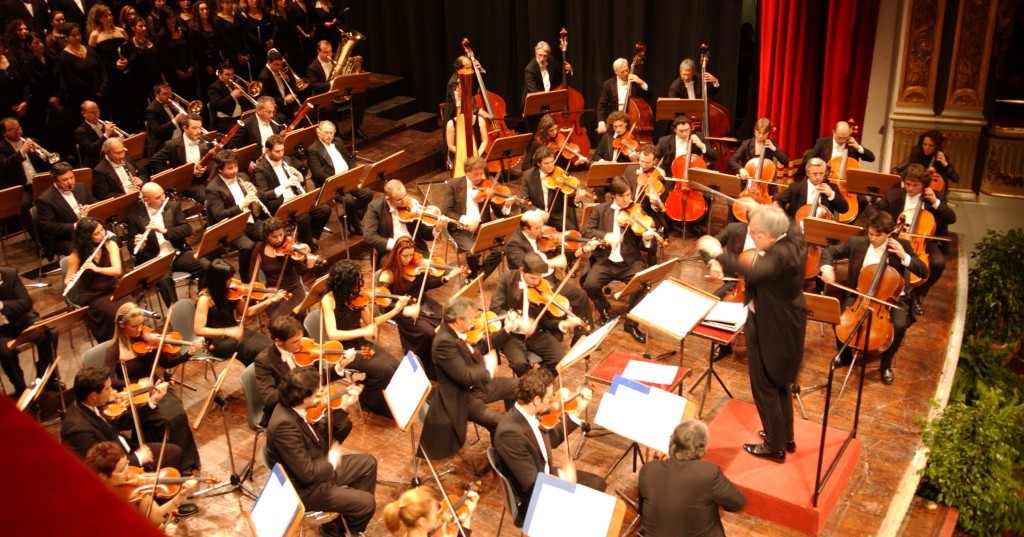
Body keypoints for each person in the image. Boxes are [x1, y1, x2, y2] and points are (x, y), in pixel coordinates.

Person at [696, 204, 806, 463]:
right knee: (780, 383)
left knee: (765, 385)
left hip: (772, 325)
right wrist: (760, 209)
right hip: (783, 321)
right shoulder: (792, 235)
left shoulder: (780, 255)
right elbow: (784, 219)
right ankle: (784, 436)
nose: (751, 236)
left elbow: (754, 271)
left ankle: (774, 445)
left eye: (754, 233)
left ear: (768, 235)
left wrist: (716, 252)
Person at [265, 367, 377, 537]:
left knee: (368, 464)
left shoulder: (293, 408)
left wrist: (344, 407)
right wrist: (331, 461)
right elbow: (307, 475)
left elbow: (316, 435)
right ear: (303, 397)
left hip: (318, 468)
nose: (319, 395)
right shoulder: (284, 425)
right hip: (305, 489)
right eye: (315, 393)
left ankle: (338, 527)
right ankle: (350, 531)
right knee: (367, 503)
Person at [819, 212, 928, 385]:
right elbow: (829, 251)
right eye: (870, 233)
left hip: (891, 298)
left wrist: (903, 256)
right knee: (840, 318)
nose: (872, 238)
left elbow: (923, 271)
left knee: (899, 326)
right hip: (860, 294)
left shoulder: (903, 245)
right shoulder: (858, 243)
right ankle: (845, 355)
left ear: (889, 233)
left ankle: (885, 365)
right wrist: (826, 268)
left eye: (878, 235)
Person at [493, 368, 606, 526]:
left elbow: (550, 439)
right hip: (534, 495)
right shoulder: (509, 435)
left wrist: (578, 409)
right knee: (594, 507)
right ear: (536, 400)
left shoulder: (530, 413)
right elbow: (531, 483)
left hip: (546, 474)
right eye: (550, 396)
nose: (554, 398)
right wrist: (565, 479)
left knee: (598, 483)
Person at [104, 302, 202, 473]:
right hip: (136, 396)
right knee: (166, 419)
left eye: (142, 324)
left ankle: (188, 461)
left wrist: (188, 354)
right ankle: (169, 461)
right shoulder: (113, 350)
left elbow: (167, 362)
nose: (140, 329)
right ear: (122, 325)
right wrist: (136, 384)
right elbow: (110, 380)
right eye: (134, 326)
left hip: (156, 388)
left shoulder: (147, 340)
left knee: (178, 413)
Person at [419, 296, 515, 460]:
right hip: (463, 398)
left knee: (519, 387)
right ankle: (501, 459)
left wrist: (506, 330)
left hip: (478, 386)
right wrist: (487, 366)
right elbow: (464, 376)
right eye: (470, 318)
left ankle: (515, 430)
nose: (474, 320)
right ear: (457, 320)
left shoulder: (459, 332)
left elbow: (479, 349)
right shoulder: (443, 343)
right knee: (500, 423)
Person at [863, 163, 956, 315]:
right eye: (908, 184)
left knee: (939, 263)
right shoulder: (894, 194)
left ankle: (918, 294)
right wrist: (885, 225)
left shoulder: (934, 196)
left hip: (922, 240)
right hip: (897, 238)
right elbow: (872, 209)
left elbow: (951, 218)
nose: (910, 189)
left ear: (924, 185)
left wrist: (935, 202)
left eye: (915, 185)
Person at [321, 259, 407, 417]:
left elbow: (372, 322)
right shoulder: (329, 300)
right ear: (344, 283)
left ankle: (390, 399)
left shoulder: (357, 296)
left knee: (395, 366)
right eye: (356, 283)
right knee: (384, 370)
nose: (360, 287)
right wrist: (364, 331)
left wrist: (396, 310)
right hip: (343, 351)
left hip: (361, 344)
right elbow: (333, 334)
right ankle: (370, 400)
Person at [254, 315, 360, 440]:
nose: (300, 344)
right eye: (295, 342)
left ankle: (322, 454)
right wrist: (297, 386)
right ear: (279, 341)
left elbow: (317, 378)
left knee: (343, 425)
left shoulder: (305, 348)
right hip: (287, 411)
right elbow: (269, 399)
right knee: (322, 430)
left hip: (312, 404)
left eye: (301, 338)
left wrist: (341, 365)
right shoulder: (264, 361)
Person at [61, 366, 184, 471]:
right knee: (172, 454)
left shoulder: (94, 404)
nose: (112, 391)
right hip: (119, 465)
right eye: (108, 388)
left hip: (126, 447)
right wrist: (137, 458)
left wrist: (152, 400)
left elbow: (124, 422)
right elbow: (98, 468)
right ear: (93, 395)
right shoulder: (78, 430)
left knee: (175, 452)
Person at [637, 420, 746, 537]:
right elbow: (737, 502)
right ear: (702, 448)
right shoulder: (709, 474)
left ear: (672, 442)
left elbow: (642, 509)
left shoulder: (648, 470)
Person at [376, 236, 462, 380]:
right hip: (402, 311)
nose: (409, 259)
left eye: (411, 255)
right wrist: (403, 309)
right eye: (405, 256)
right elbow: (382, 299)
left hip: (422, 302)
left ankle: (445, 360)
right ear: (397, 254)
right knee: (428, 333)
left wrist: (445, 278)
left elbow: (427, 284)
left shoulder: (416, 266)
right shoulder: (388, 274)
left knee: (447, 321)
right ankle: (429, 368)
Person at [580, 176, 653, 344]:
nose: (627, 199)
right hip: (605, 261)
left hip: (629, 262)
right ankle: (604, 308)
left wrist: (647, 238)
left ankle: (631, 323)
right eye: (623, 196)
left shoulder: (637, 211)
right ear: (613, 195)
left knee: (644, 284)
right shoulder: (600, 210)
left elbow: (644, 244)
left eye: (629, 195)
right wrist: (606, 236)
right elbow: (586, 231)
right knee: (589, 284)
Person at [489, 252, 586, 376]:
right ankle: (532, 386)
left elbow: (545, 321)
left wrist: (564, 324)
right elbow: (495, 309)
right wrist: (518, 321)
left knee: (559, 360)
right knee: (519, 364)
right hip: (512, 336)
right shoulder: (507, 279)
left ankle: (536, 384)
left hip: (536, 333)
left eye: (539, 278)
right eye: (532, 278)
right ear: (522, 271)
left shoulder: (544, 287)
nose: (536, 282)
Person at [127, 183, 208, 307]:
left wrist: (164, 231)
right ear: (146, 200)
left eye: (163, 194)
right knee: (164, 280)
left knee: (206, 266)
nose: (163, 198)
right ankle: (176, 315)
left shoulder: (173, 206)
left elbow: (187, 229)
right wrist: (140, 246)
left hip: (177, 252)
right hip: (156, 259)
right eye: (158, 197)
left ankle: (202, 304)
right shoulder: (134, 217)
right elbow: (132, 249)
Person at [84, 441, 200, 525]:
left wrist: (181, 495)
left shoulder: (134, 487)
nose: (128, 471)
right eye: (121, 470)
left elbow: (157, 516)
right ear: (102, 476)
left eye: (126, 465)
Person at [192, 259, 279, 366]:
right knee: (259, 352)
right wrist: (227, 331)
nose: (231, 281)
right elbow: (199, 330)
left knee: (269, 345)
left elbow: (247, 312)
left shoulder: (231, 291)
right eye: (228, 279)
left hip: (237, 332)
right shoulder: (205, 299)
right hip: (218, 341)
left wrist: (269, 301)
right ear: (217, 280)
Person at [441, 155, 514, 281]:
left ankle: (477, 276)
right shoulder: (454, 184)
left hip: (483, 227)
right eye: (476, 174)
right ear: (467, 172)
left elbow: (499, 213)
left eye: (481, 174)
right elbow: (446, 210)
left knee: (502, 248)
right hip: (461, 229)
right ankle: (476, 275)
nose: (479, 177)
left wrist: (505, 206)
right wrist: (466, 221)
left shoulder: (486, 186)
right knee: (473, 252)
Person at [252, 134, 330, 247]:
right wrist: (284, 186)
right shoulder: (260, 169)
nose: (281, 154)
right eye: (277, 151)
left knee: (324, 210)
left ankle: (312, 239)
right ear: (267, 151)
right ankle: (306, 249)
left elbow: (299, 182)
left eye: (282, 150)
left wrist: (299, 177)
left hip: (295, 199)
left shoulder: (287, 160)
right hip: (279, 206)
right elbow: (263, 196)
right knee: (304, 217)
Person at [205, 149, 271, 281]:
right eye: (230, 168)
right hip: (231, 226)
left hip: (250, 221)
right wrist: (242, 205)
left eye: (235, 166)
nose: (235, 170)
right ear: (219, 170)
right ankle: (246, 279)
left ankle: (267, 269)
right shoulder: (213, 188)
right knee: (248, 246)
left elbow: (258, 195)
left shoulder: (242, 177)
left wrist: (254, 191)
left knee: (271, 232)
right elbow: (219, 215)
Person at [64, 216, 130, 341]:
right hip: (92, 294)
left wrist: (97, 269)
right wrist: (71, 281)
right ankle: (116, 344)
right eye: (97, 233)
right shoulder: (77, 254)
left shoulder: (110, 244)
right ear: (87, 237)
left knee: (130, 308)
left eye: (102, 230)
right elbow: (67, 280)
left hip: (112, 287)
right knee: (113, 314)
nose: (102, 234)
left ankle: (134, 339)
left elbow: (117, 270)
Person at [306, 120, 373, 236]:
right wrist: (336, 180)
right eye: (326, 132)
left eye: (331, 133)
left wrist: (353, 171)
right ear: (318, 133)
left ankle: (345, 219)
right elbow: (318, 173)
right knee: (349, 200)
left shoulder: (338, 141)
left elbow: (349, 159)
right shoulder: (313, 149)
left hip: (348, 179)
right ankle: (357, 225)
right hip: (332, 184)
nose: (329, 136)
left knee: (367, 194)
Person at [0, 265, 57, 398]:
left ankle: (45, 380)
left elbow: (26, 303)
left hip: (21, 319)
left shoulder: (9, 274)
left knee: (49, 334)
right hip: (1, 330)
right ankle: (21, 390)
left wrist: (2, 305)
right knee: (6, 353)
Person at [655, 115, 718, 235]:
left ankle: (696, 223)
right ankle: (668, 222)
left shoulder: (698, 138)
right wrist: (657, 168)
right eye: (681, 131)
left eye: (687, 130)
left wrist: (701, 146)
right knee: (663, 194)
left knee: (708, 193)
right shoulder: (665, 141)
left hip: (694, 178)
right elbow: (654, 154)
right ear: (674, 130)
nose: (684, 134)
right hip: (673, 177)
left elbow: (714, 156)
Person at [251, 217, 320, 321]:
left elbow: (302, 271)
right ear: (266, 236)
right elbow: (252, 277)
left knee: (294, 315)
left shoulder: (288, 247)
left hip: (293, 289)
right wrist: (265, 291)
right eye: (274, 236)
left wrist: (310, 265)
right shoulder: (259, 250)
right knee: (277, 321)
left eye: (281, 234)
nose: (279, 239)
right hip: (273, 292)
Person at [362, 179, 436, 263]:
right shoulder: (375, 208)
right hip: (390, 252)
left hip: (415, 249)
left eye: (405, 195)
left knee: (436, 272)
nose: (404, 200)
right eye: (399, 199)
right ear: (388, 199)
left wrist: (436, 229)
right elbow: (369, 236)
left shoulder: (412, 205)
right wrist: (396, 245)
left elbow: (425, 234)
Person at [35, 161, 98, 258]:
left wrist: (90, 207)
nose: (70, 182)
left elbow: (95, 203)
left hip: (88, 230)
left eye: (72, 177)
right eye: (64, 180)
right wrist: (75, 226)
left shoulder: (80, 187)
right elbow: (48, 227)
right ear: (55, 180)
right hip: (64, 237)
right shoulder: (45, 199)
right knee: (86, 252)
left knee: (112, 240)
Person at [0, 117, 47, 239]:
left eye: (19, 128)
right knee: (24, 204)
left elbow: (45, 161)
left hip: (38, 182)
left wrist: (39, 153)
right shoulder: (1, 147)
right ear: (4, 133)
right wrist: (21, 152)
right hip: (20, 187)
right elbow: (5, 166)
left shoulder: (31, 141)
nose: (18, 132)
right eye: (12, 130)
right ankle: (40, 241)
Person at [149, 112, 212, 203]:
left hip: (208, 178)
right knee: (210, 200)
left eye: (200, 127)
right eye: (194, 128)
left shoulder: (206, 139)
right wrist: (174, 176)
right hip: (190, 184)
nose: (199, 131)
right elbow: (154, 161)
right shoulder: (172, 145)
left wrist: (206, 168)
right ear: (185, 128)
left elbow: (213, 160)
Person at [520, 146, 585, 232]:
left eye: (552, 162)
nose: (551, 166)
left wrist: (577, 200)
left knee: (572, 232)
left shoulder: (560, 173)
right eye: (546, 163)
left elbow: (568, 199)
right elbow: (523, 202)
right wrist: (538, 212)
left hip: (556, 216)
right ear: (539, 164)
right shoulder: (528, 176)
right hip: (537, 217)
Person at [383, 486, 479, 537]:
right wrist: (468, 513)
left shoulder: (405, 529)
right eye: (434, 512)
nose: (438, 513)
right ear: (422, 521)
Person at [772, 157, 849, 221]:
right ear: (807, 173)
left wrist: (831, 194)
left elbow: (844, 209)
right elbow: (779, 200)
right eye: (814, 174)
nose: (818, 177)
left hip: (822, 229)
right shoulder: (795, 187)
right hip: (797, 229)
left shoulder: (832, 187)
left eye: (821, 173)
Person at [596, 58, 649, 135]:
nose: (625, 74)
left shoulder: (636, 79)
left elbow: (649, 95)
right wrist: (601, 123)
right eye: (622, 72)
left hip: (633, 120)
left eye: (627, 70)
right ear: (616, 72)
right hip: (616, 122)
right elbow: (601, 105)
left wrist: (641, 82)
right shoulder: (608, 84)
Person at [520, 114, 588, 174]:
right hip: (546, 177)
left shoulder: (560, 137)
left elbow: (567, 167)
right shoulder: (536, 144)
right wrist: (539, 173)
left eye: (556, 129)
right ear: (544, 131)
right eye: (551, 130)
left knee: (586, 166)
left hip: (561, 174)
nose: (555, 132)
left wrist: (577, 163)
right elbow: (525, 166)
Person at [892, 129, 960, 185]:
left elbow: (955, 179)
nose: (926, 148)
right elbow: (895, 170)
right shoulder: (917, 154)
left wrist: (945, 164)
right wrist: (902, 181)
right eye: (924, 144)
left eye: (931, 145)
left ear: (937, 146)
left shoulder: (941, 158)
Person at [74, 101, 121, 169]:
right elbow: (92, 150)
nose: (96, 115)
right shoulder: (80, 131)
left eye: (97, 111)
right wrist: (106, 135)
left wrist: (115, 136)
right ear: (83, 114)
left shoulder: (104, 125)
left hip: (111, 158)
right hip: (95, 164)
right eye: (92, 112)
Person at [143, 82, 187, 156]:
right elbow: (157, 130)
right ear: (157, 94)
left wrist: (182, 111)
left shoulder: (172, 104)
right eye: (165, 94)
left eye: (170, 93)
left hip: (180, 139)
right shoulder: (151, 110)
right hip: (165, 143)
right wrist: (175, 121)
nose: (169, 96)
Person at [256, 48, 299, 122]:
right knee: (282, 118)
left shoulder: (280, 70)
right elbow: (265, 98)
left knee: (303, 111)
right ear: (269, 62)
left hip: (286, 104)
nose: (279, 67)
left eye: (281, 64)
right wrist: (284, 100)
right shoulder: (264, 76)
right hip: (276, 107)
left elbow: (292, 86)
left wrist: (288, 79)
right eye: (276, 65)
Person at [806, 120, 876, 165]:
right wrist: (821, 165)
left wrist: (858, 147)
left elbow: (871, 158)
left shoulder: (853, 142)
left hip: (846, 181)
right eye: (839, 137)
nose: (843, 141)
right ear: (833, 132)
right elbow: (808, 159)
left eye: (845, 137)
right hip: (826, 180)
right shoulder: (823, 142)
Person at [207, 62, 249, 134]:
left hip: (240, 117)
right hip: (225, 120)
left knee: (253, 126)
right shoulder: (214, 87)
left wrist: (244, 92)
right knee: (241, 131)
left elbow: (244, 103)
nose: (231, 77)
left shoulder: (233, 85)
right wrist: (232, 96)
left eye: (232, 74)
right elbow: (217, 105)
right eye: (227, 74)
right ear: (220, 75)